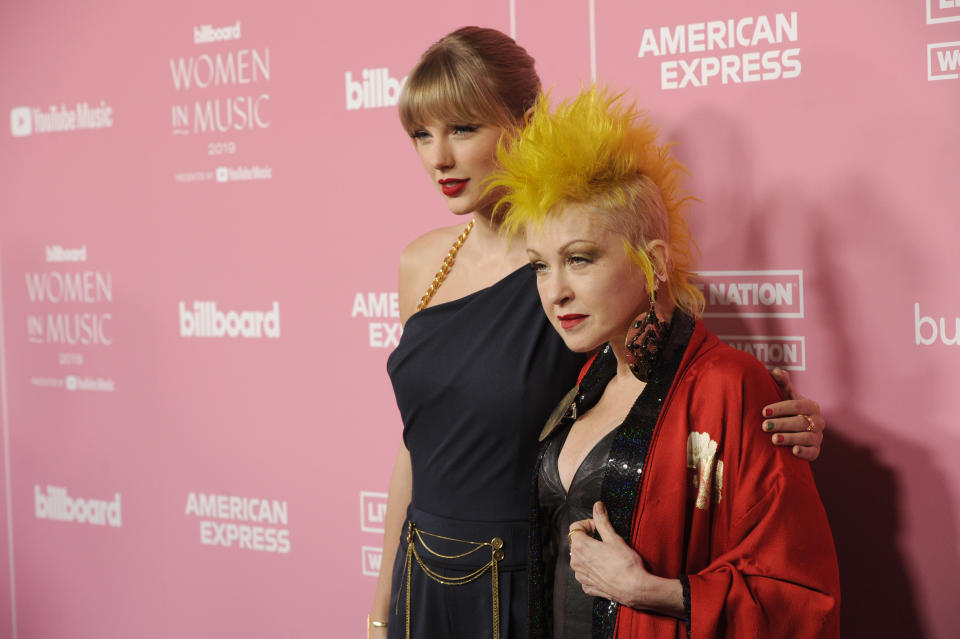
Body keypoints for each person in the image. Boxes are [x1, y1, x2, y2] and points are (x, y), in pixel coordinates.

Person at [368, 27, 827, 639]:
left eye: (463, 129)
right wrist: (381, 605)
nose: (438, 158)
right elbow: (417, 439)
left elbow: (674, 383)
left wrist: (781, 418)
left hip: (524, 582)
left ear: (526, 123)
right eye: (422, 135)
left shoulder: (582, 267)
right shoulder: (421, 263)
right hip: (420, 573)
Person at [489, 86, 840, 638]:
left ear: (651, 262)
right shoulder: (587, 379)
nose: (554, 292)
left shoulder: (733, 387)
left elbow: (800, 596)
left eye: (579, 259)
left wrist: (650, 591)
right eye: (539, 266)